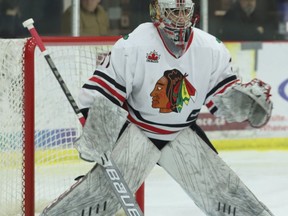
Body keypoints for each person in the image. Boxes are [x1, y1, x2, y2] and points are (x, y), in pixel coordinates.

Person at [40, 0, 275, 215]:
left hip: (181, 132)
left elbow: (221, 100)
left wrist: (243, 104)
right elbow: (102, 91)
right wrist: (98, 132)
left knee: (224, 193)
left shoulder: (210, 48)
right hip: (139, 132)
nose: (181, 18)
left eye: (185, 11)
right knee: (96, 199)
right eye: (174, 11)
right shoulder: (135, 44)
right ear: (158, 11)